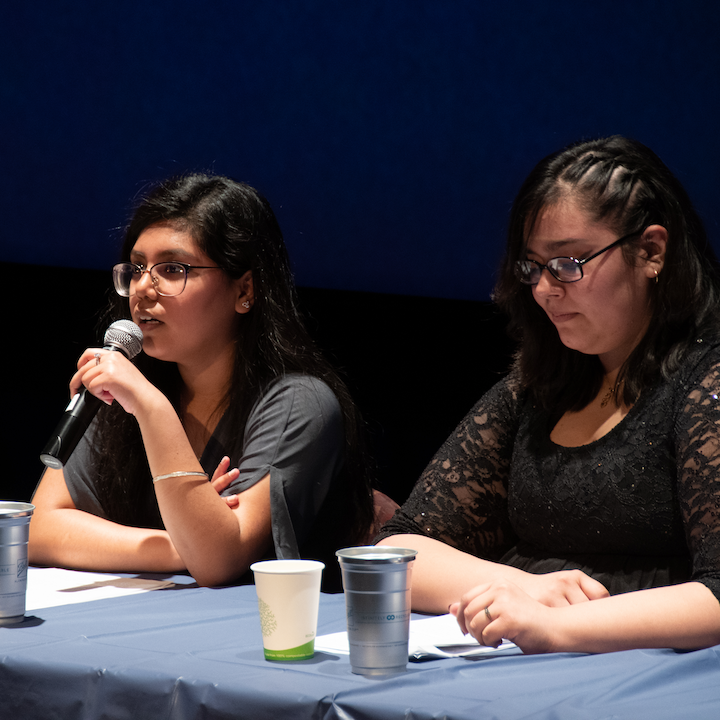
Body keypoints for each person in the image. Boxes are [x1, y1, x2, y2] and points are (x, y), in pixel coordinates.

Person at [376, 135, 720, 654]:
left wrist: (556, 626)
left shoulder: (706, 383)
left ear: (651, 251)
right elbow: (398, 549)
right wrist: (526, 588)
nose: (543, 289)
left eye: (568, 263)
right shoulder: (536, 390)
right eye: (534, 266)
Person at [30, 173, 374, 590]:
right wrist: (181, 546)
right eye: (137, 268)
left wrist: (151, 409)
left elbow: (218, 560)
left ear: (244, 289)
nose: (142, 288)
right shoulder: (125, 392)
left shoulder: (299, 402)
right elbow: (39, 527)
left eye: (171, 269)